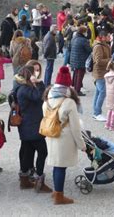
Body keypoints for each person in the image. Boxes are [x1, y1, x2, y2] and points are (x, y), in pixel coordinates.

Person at [43, 66, 86, 205]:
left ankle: (56, 192)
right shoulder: (69, 102)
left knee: (56, 165)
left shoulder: (47, 98)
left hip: (51, 134)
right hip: (64, 138)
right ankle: (59, 197)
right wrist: (82, 145)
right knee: (61, 166)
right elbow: (75, 127)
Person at [13, 65, 52, 193]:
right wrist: (40, 83)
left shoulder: (21, 87)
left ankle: (24, 181)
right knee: (43, 152)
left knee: (28, 153)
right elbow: (40, 96)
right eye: (34, 72)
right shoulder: (25, 89)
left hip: (27, 126)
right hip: (32, 127)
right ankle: (39, 182)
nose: (36, 74)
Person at [92, 30, 111, 122]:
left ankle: (95, 112)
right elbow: (98, 61)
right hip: (100, 73)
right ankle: (97, 113)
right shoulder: (99, 46)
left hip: (102, 72)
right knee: (103, 92)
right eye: (108, 36)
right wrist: (110, 60)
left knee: (98, 92)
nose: (109, 37)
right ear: (103, 37)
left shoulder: (104, 45)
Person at [69, 26, 91, 96]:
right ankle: (77, 90)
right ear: (83, 32)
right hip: (81, 59)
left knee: (76, 73)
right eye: (86, 32)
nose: (86, 33)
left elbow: (69, 47)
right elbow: (89, 50)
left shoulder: (74, 38)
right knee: (80, 75)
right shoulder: (84, 40)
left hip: (74, 59)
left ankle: (74, 87)